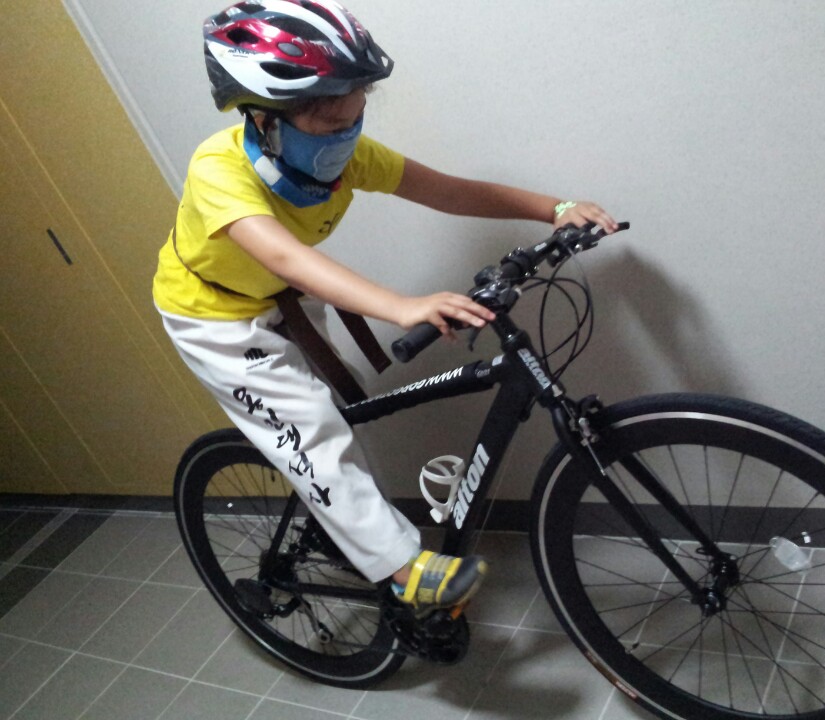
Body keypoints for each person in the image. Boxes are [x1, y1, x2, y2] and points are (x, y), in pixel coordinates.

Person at [153, 0, 616, 615]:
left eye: (354, 117)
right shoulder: (219, 169)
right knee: (309, 425)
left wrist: (554, 209)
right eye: (328, 125)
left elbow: (449, 192)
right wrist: (400, 306)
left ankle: (345, 530)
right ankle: (400, 571)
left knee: (339, 415)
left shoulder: (349, 159)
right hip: (215, 317)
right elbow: (286, 256)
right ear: (263, 120)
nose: (345, 136)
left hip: (281, 302)